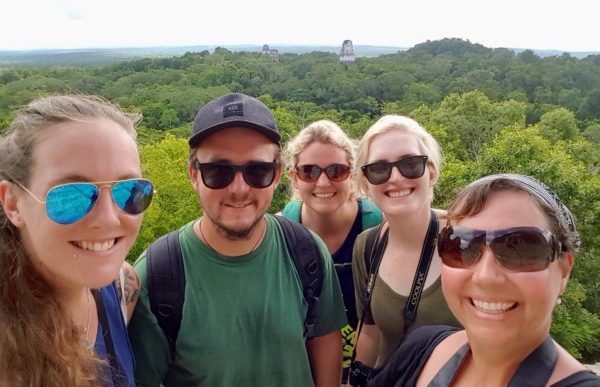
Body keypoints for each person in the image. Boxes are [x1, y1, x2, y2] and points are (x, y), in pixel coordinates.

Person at [128, 93, 348, 386]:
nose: (239, 188)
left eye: (258, 171)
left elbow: (324, 341)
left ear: (277, 173)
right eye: (219, 171)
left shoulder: (305, 252)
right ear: (194, 175)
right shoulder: (159, 275)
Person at [370, 173, 600, 386]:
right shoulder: (420, 349)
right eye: (462, 245)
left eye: (520, 249)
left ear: (564, 270)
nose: (486, 276)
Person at [0, 95, 154, 387]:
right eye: (71, 196)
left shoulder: (122, 289)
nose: (109, 218)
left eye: (129, 191)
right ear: (13, 203)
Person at [350, 115, 461, 384]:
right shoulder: (368, 246)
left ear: (431, 172)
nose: (396, 178)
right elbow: (368, 333)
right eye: (379, 169)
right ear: (366, 183)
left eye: (410, 164)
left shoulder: (467, 239)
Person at [281, 119, 383, 381]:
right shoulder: (280, 234)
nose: (323, 182)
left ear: (352, 174)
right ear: (294, 177)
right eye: (309, 171)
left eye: (336, 170)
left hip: (371, 375)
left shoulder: (380, 228)